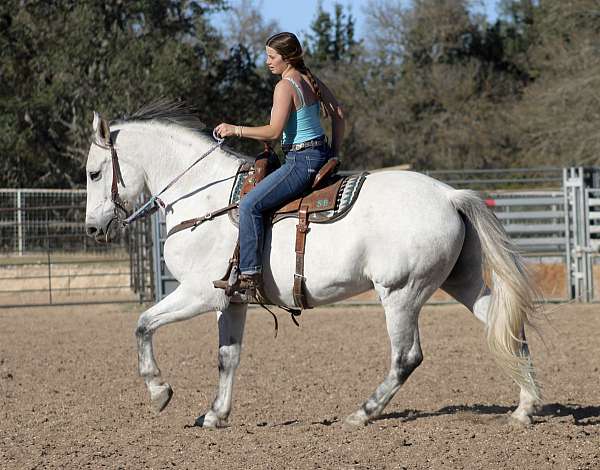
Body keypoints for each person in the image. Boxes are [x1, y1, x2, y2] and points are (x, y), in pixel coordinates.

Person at [214, 32, 345, 295]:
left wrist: (234, 129)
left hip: (301, 161)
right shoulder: (309, 78)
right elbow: (339, 114)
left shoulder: (285, 86)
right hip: (317, 155)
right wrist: (333, 152)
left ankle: (250, 274)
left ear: (287, 58)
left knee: (250, 204)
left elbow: (273, 131)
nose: (267, 61)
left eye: (272, 57)